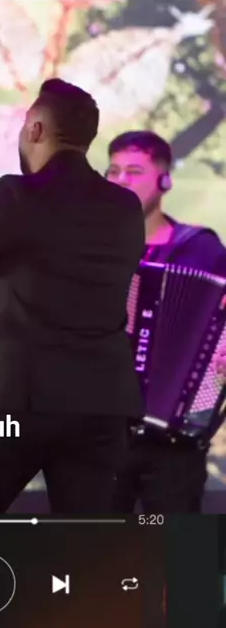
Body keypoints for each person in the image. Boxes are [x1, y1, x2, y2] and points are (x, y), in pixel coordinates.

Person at [0, 78, 145, 515]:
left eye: (25, 125)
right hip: (102, 407)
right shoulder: (125, 207)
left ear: (36, 129)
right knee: (88, 543)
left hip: (15, 404)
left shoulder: (18, 196)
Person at [105, 130, 226, 513]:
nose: (121, 180)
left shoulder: (201, 249)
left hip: (176, 438)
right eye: (113, 171)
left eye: (134, 171)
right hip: (101, 433)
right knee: (95, 541)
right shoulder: (91, 248)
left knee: (175, 544)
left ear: (165, 180)